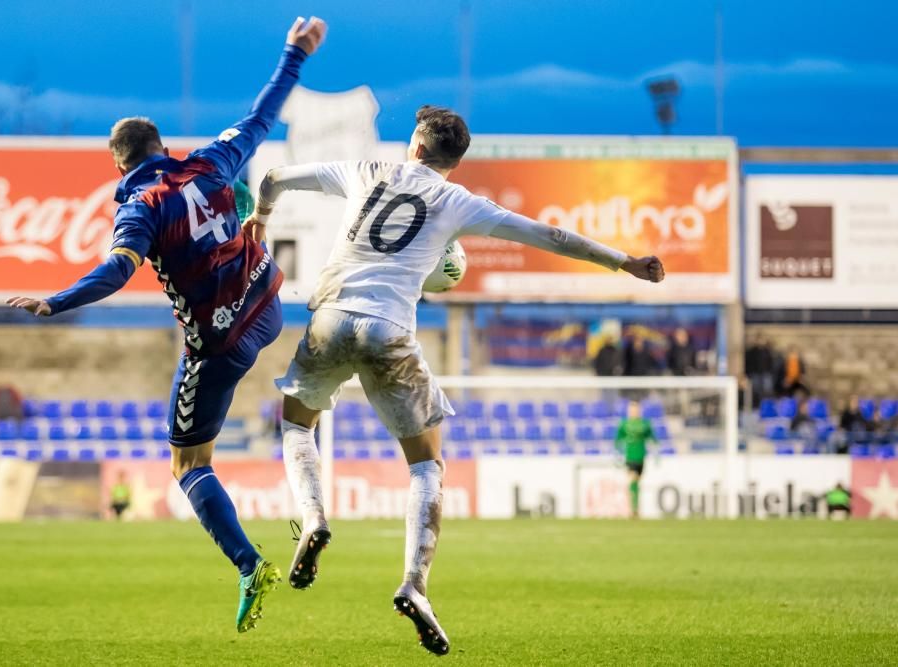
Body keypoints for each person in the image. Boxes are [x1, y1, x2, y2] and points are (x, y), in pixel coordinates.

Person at [245, 106, 665, 655]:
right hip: (390, 327)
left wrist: (261, 217)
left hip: (329, 316)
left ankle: (314, 517)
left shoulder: (367, 169)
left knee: (298, 426)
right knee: (425, 464)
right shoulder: (457, 201)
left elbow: (274, 177)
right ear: (454, 163)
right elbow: (551, 235)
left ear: (415, 146)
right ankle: (414, 586)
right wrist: (625, 262)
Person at [4, 16, 327, 634]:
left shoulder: (140, 206)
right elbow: (263, 116)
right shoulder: (209, 162)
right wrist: (294, 54)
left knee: (187, 464)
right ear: (160, 145)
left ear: (118, 163)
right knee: (208, 369)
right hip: (268, 302)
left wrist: (56, 301)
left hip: (223, 341)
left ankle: (248, 564)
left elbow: (115, 272)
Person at [614, 401, 657, 518]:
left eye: (636, 409)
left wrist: (657, 455)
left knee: (636, 483)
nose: (634, 412)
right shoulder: (624, 424)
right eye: (632, 410)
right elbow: (618, 439)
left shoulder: (645, 424)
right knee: (632, 481)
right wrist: (617, 455)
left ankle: (635, 508)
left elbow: (652, 438)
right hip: (629, 457)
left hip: (641, 457)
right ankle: (633, 509)